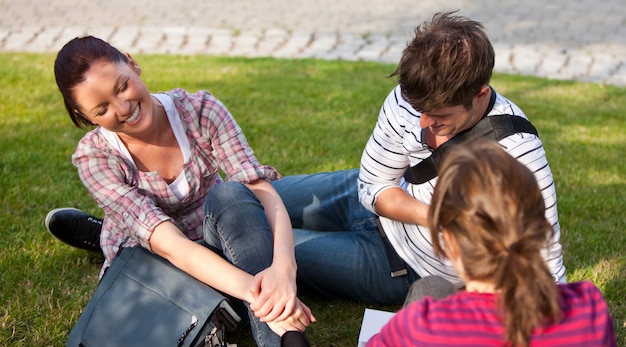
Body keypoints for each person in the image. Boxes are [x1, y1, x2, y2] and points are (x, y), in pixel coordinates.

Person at [47, 11, 566, 306]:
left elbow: (547, 268)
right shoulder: (416, 97)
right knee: (245, 204)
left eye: (442, 122)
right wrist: (439, 213)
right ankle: (127, 236)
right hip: (366, 202)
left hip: (404, 265)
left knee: (248, 256)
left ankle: (121, 243)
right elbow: (373, 186)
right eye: (419, 113)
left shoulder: (520, 157)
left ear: (479, 95)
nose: (423, 129)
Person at [48, 35, 314, 346]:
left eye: (122, 87)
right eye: (102, 108)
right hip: (156, 255)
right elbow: (170, 245)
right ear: (86, 117)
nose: (123, 108)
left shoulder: (200, 111)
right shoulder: (95, 158)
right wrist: (264, 297)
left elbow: (258, 188)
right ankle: (102, 234)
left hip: (212, 235)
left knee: (231, 196)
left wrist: (284, 268)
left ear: (132, 64)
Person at [365, 140, 617, 346]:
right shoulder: (589, 307)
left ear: (450, 241)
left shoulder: (422, 326)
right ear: (538, 228)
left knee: (429, 287)